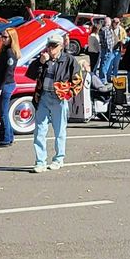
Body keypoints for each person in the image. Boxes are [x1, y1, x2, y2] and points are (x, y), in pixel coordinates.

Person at [28, 32, 82, 172]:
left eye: (54, 46)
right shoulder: (43, 59)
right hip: (43, 96)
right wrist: (40, 62)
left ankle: (58, 159)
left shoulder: (69, 60)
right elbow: (30, 74)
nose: (50, 49)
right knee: (40, 130)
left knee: (59, 130)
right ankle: (40, 161)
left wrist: (67, 94)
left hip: (59, 99)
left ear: (61, 46)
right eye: (49, 46)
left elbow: (78, 80)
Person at [0, 26, 21, 146]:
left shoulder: (9, 52)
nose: (2, 39)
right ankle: (9, 137)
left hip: (6, 84)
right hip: (4, 83)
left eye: (5, 37)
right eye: (1, 36)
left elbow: (8, 73)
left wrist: (0, 87)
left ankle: (5, 139)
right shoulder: (4, 51)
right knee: (3, 113)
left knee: (3, 114)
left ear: (11, 38)